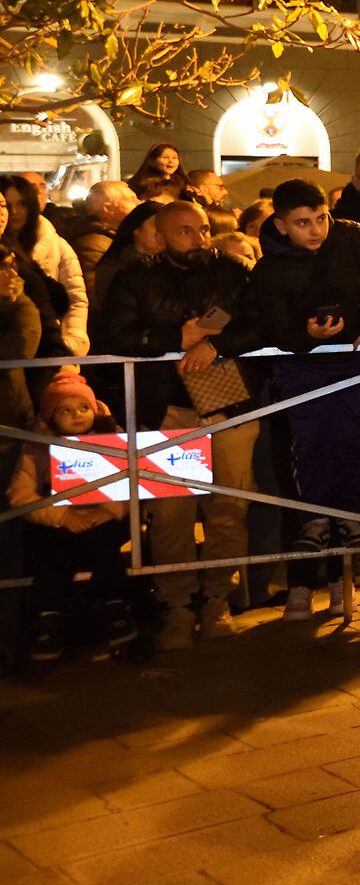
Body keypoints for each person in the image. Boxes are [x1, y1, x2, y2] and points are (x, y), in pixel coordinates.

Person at [221, 179, 360, 620]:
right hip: (300, 367)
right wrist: (304, 337)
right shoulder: (268, 269)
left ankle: (349, 516)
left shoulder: (349, 235)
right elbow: (269, 325)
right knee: (309, 446)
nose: (316, 229)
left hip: (351, 360)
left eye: (321, 218)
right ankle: (316, 521)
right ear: (282, 225)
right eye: (304, 223)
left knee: (352, 440)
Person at [92, 200, 259, 648]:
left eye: (202, 229)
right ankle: (177, 606)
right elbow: (113, 336)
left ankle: (218, 600)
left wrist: (217, 344)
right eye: (185, 231)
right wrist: (174, 340)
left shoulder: (235, 271)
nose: (198, 239)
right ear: (161, 237)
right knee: (171, 514)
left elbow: (262, 324)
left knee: (228, 510)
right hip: (167, 409)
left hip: (229, 406)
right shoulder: (137, 278)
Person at [9, 371, 139, 664]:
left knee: (104, 546)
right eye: (65, 410)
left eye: (83, 407)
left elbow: (132, 480)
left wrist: (109, 510)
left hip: (103, 517)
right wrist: (62, 516)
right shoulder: (36, 447)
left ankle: (116, 606)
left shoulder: (112, 440)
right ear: (51, 416)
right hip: (57, 522)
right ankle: (47, 618)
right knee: (51, 552)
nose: (77, 415)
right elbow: (20, 494)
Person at [4, 174, 88, 356]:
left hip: (51, 346)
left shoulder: (56, 245)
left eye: (22, 204)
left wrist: (73, 341)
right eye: (7, 205)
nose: (15, 211)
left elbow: (76, 298)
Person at [86, 199, 166, 326]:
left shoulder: (173, 266)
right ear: (136, 228)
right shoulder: (113, 269)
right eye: (157, 226)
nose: (162, 232)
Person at [64, 180, 135, 283]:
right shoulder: (94, 244)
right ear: (108, 208)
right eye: (131, 200)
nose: (139, 202)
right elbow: (96, 289)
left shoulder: (115, 234)